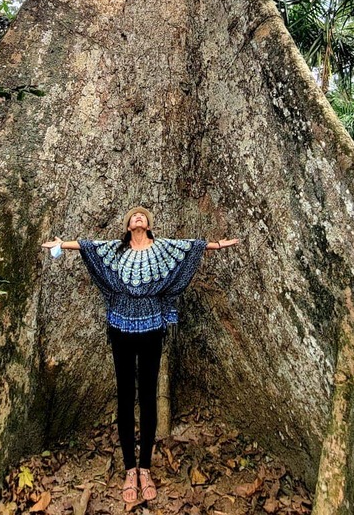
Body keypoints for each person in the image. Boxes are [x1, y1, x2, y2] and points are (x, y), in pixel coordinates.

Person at [42, 206, 239, 507]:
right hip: (120, 328)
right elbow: (89, 246)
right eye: (133, 215)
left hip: (152, 329)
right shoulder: (117, 250)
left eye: (142, 215)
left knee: (147, 397)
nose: (138, 217)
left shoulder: (162, 248)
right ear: (128, 225)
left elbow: (190, 248)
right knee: (124, 397)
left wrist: (216, 246)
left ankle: (145, 468)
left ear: (148, 224)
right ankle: (128, 469)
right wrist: (61, 244)